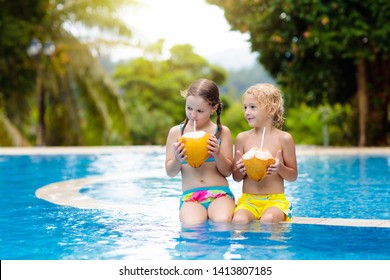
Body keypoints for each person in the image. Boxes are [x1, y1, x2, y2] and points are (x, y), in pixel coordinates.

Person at [165, 79, 236, 225]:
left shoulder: (222, 133)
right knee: (193, 225)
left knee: (222, 221)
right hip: (191, 198)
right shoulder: (176, 133)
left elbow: (227, 171)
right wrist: (178, 159)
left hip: (220, 194)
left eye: (199, 111)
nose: (193, 115)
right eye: (189, 108)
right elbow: (170, 172)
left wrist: (217, 153)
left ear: (214, 108)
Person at [232, 83, 298, 224]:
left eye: (253, 107)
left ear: (271, 109)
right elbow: (236, 177)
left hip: (275, 201)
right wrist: (241, 169)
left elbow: (293, 176)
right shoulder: (242, 138)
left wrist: (280, 168)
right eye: (245, 107)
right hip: (248, 200)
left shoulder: (284, 139)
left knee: (268, 220)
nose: (247, 112)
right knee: (238, 220)